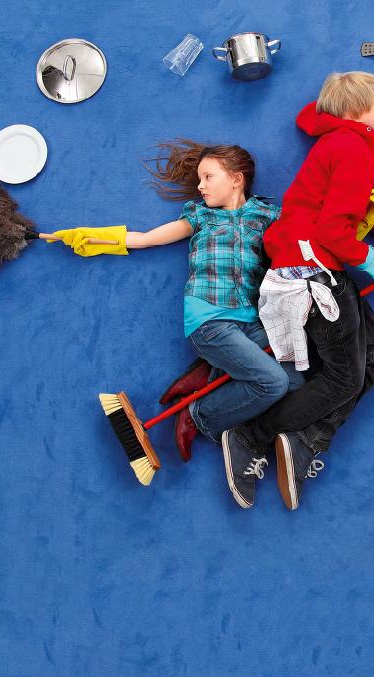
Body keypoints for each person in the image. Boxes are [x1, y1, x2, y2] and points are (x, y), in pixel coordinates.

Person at [220, 72, 374, 510]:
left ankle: (304, 439)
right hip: (312, 273)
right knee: (343, 379)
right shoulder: (353, 147)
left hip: (320, 269)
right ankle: (250, 436)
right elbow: (335, 231)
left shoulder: (342, 144)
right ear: (356, 108)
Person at [52, 140, 304, 461]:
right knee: (272, 382)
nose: (200, 186)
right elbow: (146, 239)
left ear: (236, 179)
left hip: (252, 322)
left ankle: (212, 377)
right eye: (199, 179)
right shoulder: (200, 215)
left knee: (296, 381)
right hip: (210, 321)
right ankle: (199, 414)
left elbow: (307, 232)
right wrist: (92, 237)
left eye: (208, 177)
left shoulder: (267, 214)